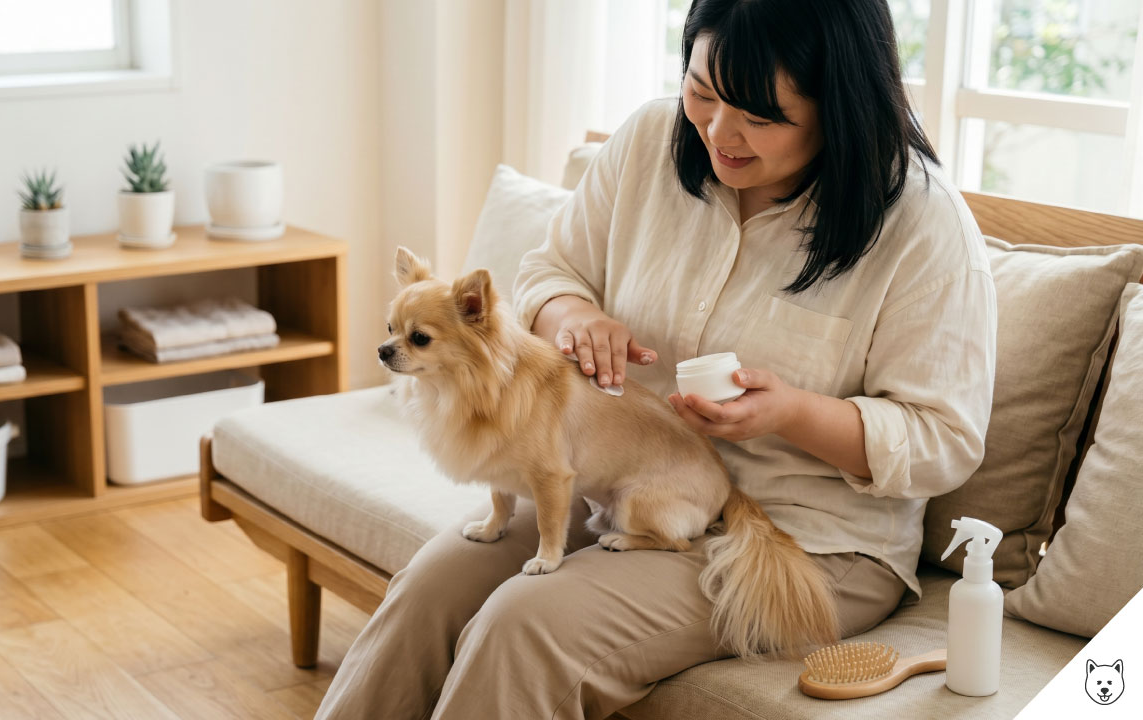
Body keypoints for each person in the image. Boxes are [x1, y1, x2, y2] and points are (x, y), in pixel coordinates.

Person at [316, 0, 997, 717]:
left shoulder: (924, 229)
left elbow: (945, 442)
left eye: (759, 116)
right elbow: (550, 270)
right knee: (428, 593)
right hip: (614, 479)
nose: (719, 132)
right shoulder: (649, 140)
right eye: (701, 92)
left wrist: (792, 414)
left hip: (808, 538)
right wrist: (574, 317)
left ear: (841, 105)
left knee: (522, 627)